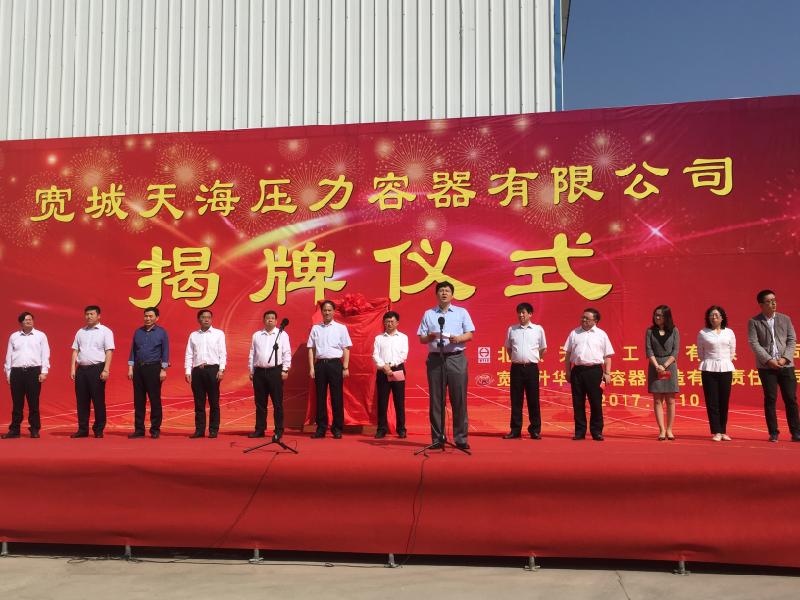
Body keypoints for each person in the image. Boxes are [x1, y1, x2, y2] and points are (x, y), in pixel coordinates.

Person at [417, 281, 475, 450]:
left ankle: (461, 438)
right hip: (436, 359)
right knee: (436, 400)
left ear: (452, 295)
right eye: (441, 290)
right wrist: (430, 337)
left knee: (459, 399)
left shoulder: (461, 312)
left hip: (456, 358)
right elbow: (421, 338)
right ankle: (437, 438)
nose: (444, 293)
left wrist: (458, 338)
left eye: (447, 291)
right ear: (437, 294)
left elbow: (470, 334)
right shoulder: (429, 314)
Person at [747, 289, 800, 442]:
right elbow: (754, 343)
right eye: (769, 301)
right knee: (770, 399)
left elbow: (792, 340)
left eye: (774, 300)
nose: (773, 303)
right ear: (761, 304)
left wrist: (785, 358)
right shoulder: (754, 321)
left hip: (786, 366)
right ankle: (773, 432)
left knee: (791, 399)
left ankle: (796, 432)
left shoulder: (785, 319)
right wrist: (769, 360)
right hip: (767, 367)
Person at [564, 308, 614, 441]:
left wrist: (607, 373)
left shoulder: (601, 334)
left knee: (595, 402)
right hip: (577, 371)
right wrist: (568, 371)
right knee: (578, 402)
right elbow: (568, 354)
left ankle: (596, 431)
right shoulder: (574, 333)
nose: (584, 320)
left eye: (587, 318)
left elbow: (607, 356)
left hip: (595, 371)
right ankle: (580, 432)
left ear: (595, 320)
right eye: (583, 317)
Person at [307, 300, 352, 439]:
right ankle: (321, 428)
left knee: (336, 397)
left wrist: (345, 367)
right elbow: (311, 349)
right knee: (320, 397)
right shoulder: (316, 328)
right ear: (321, 312)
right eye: (324, 310)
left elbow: (346, 348)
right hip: (320, 365)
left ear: (334, 311)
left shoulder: (341, 328)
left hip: (335, 364)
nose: (327, 312)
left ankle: (337, 428)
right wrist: (312, 367)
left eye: (329, 310)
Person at [2, 312, 50, 439]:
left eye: (30, 319)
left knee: (33, 402)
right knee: (17, 403)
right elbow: (8, 355)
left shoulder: (40, 336)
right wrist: (8, 373)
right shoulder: (14, 336)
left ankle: (34, 429)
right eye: (25, 319)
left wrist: (44, 371)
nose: (28, 321)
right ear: (21, 322)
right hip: (16, 372)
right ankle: (14, 430)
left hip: (33, 372)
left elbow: (45, 354)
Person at [503, 302, 547, 440]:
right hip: (516, 368)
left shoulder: (538, 329)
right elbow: (508, 348)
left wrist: (534, 358)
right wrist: (516, 358)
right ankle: (515, 430)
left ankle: (535, 430)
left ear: (530, 314)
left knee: (533, 400)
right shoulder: (512, 329)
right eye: (519, 313)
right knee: (516, 400)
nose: (521, 315)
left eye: (523, 312)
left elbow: (543, 348)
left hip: (531, 368)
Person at [70, 305, 114, 438]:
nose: (89, 316)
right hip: (81, 370)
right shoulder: (80, 332)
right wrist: (73, 368)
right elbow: (75, 351)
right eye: (87, 314)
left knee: (98, 400)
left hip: (97, 369)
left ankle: (98, 429)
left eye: (92, 314)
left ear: (98, 316)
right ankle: (83, 429)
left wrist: (106, 369)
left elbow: (109, 351)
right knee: (82, 401)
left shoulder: (105, 331)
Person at [126, 306, 169, 439]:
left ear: (157, 318)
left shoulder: (161, 332)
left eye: (151, 316)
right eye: (146, 316)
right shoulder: (138, 332)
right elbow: (133, 351)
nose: (148, 318)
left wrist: (163, 369)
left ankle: (155, 429)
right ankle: (139, 430)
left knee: (154, 400)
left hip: (154, 368)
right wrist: (130, 368)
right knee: (138, 400)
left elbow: (165, 351)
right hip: (138, 369)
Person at [248, 310, 291, 440]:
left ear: (276, 321)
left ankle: (278, 430)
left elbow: (286, 352)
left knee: (277, 403)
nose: (270, 320)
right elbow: (252, 353)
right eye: (268, 318)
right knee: (260, 403)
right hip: (259, 372)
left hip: (275, 372)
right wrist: (251, 370)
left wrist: (285, 370)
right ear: (264, 320)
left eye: (272, 318)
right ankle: (260, 429)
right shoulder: (257, 335)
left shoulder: (282, 334)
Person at [184, 309, 226, 438]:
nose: (206, 319)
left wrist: (221, 369)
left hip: (213, 370)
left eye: (208, 317)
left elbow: (222, 353)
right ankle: (199, 430)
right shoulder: (193, 335)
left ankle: (213, 429)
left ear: (211, 319)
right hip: (197, 371)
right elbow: (189, 354)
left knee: (214, 401)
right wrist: (187, 370)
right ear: (199, 319)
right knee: (199, 402)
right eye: (203, 317)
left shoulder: (218, 334)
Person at [698, 305, 736, 442]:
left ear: (722, 318)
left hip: (725, 368)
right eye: (711, 315)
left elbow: (732, 351)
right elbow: (700, 353)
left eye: (716, 315)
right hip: (709, 368)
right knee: (712, 401)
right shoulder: (703, 333)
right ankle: (716, 431)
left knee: (724, 401)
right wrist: (712, 361)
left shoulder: (729, 332)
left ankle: (723, 430)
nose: (714, 318)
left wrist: (724, 361)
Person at [372, 310, 408, 439]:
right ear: (384, 323)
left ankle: (401, 429)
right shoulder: (379, 338)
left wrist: (391, 364)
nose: (389, 324)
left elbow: (403, 355)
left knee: (399, 401)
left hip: (397, 369)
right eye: (387, 321)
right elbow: (375, 355)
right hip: (383, 371)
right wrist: (384, 366)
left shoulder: (403, 337)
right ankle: (382, 429)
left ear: (397, 323)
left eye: (392, 321)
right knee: (382, 402)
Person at [646, 305, 680, 441]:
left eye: (660, 315)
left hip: (670, 365)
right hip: (655, 366)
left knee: (670, 400)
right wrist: (657, 366)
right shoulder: (650, 331)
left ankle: (670, 429)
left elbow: (675, 351)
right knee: (657, 400)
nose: (657, 317)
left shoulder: (674, 330)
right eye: (655, 315)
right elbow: (649, 350)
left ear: (666, 317)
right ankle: (661, 430)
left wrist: (665, 365)